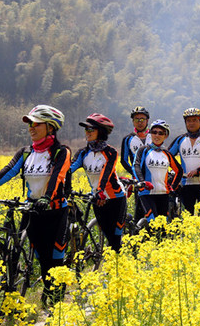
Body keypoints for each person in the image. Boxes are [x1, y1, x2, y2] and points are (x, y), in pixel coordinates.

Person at [0, 105, 71, 308]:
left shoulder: (60, 152)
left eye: (36, 124)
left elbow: (58, 176)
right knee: (41, 258)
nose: (31, 128)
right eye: (29, 124)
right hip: (33, 211)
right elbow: (8, 171)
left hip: (55, 212)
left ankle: (57, 306)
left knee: (55, 260)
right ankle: (45, 295)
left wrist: (47, 198)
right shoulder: (26, 153)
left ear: (50, 127)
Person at [70, 114, 126, 252]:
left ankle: (118, 266)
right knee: (107, 233)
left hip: (115, 198)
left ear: (100, 131)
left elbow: (106, 173)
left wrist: (100, 190)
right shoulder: (83, 153)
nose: (87, 132)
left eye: (91, 129)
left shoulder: (110, 152)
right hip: (97, 198)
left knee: (115, 240)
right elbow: (68, 169)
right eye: (86, 129)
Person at [168, 108, 200, 214]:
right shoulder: (180, 139)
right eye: (188, 121)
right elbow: (167, 156)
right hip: (186, 184)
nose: (191, 123)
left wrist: (198, 171)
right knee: (187, 216)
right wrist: (177, 171)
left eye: (195, 120)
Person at [133, 119, 183, 225]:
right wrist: (142, 182)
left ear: (165, 136)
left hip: (163, 195)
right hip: (146, 193)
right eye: (154, 132)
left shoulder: (167, 154)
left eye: (161, 133)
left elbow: (179, 171)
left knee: (162, 227)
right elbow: (136, 166)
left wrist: (172, 187)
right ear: (150, 134)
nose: (157, 135)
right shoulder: (143, 150)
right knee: (153, 222)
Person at [120, 106, 153, 220]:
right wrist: (135, 173)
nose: (139, 122)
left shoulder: (155, 135)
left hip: (154, 178)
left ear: (147, 120)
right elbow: (123, 160)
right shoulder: (128, 139)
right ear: (133, 121)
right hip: (138, 180)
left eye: (142, 119)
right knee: (140, 209)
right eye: (136, 119)